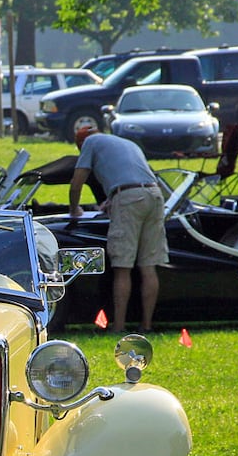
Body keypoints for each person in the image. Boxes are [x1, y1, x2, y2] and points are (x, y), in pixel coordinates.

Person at [69, 127, 166, 332]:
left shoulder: (90, 142)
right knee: (148, 267)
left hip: (129, 198)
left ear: (80, 143)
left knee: (123, 267)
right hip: (154, 195)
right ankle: (146, 325)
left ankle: (118, 327)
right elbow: (133, 177)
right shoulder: (125, 143)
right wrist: (112, 199)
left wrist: (74, 209)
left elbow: (77, 182)